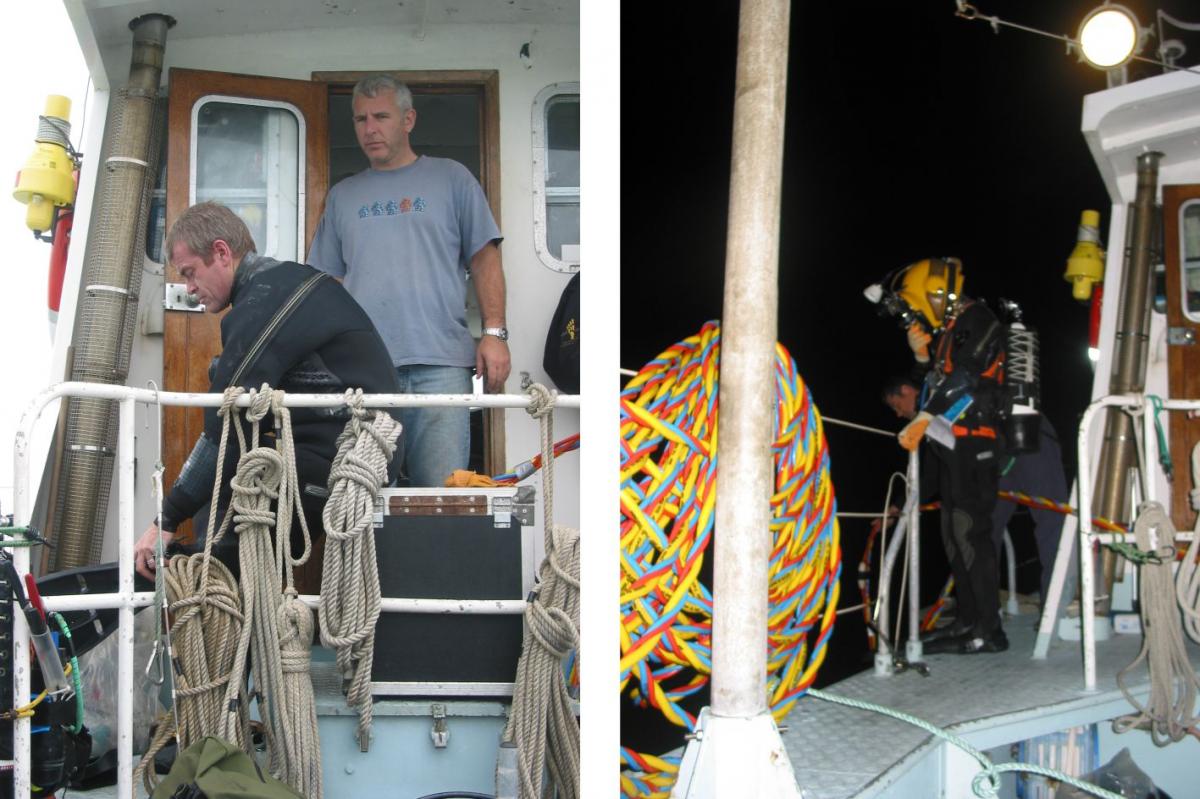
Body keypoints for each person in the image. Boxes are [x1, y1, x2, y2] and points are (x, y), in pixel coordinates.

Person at [133, 202, 402, 580]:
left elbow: (224, 426)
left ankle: (228, 619)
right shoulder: (281, 285)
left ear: (222, 253)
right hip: (340, 449)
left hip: (351, 458)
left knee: (218, 553)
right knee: (215, 508)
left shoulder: (265, 301)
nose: (189, 289)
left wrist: (166, 519)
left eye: (190, 273)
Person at [307, 73, 510, 487]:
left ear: (409, 120)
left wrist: (494, 333)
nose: (370, 129)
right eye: (361, 119)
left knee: (440, 497)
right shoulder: (343, 196)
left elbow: (485, 259)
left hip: (442, 366)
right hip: (365, 370)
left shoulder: (452, 178)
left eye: (381, 116)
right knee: (364, 497)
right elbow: (326, 283)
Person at [886, 257, 1009, 654]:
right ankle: (968, 621)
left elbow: (966, 379)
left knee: (970, 531)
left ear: (936, 295)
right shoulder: (950, 331)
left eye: (921, 305)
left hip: (977, 441)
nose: (920, 315)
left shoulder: (980, 319)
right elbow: (933, 387)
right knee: (953, 535)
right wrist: (922, 359)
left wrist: (923, 417)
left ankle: (989, 631)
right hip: (953, 443)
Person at [882, 376, 1070, 603]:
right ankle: (985, 615)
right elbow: (931, 476)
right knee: (982, 532)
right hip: (996, 459)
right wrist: (898, 506)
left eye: (896, 405)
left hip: (1028, 435)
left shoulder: (941, 393)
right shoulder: (930, 419)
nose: (898, 414)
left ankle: (1057, 604)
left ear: (906, 389)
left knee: (1053, 523)